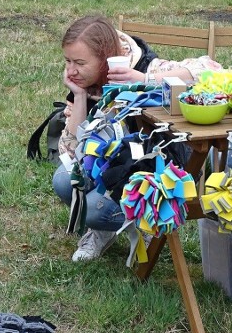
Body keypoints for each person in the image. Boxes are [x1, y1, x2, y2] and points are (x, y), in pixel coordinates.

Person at [53, 16, 221, 262]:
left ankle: (147, 220)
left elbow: (211, 70)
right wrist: (79, 96)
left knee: (91, 212)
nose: (71, 70)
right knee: (64, 181)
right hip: (112, 165)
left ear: (105, 59)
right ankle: (103, 232)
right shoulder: (85, 81)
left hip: (154, 169)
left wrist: (144, 81)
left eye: (79, 62)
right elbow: (71, 151)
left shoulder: (143, 67)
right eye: (67, 60)